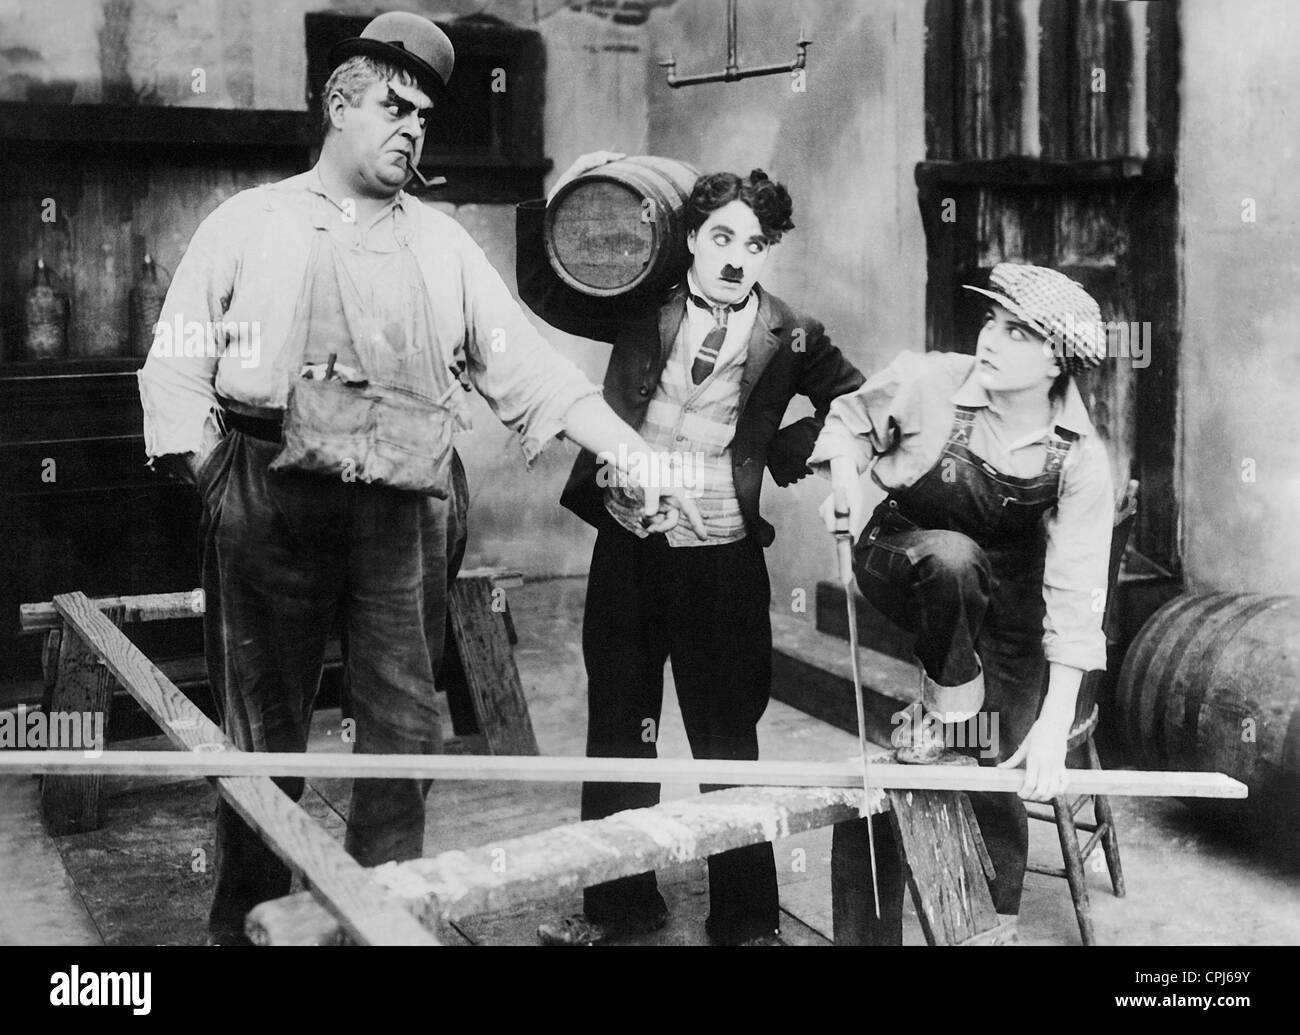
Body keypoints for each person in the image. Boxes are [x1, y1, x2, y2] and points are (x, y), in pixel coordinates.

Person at [138, 14, 699, 946]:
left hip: (403, 505)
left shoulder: (441, 245)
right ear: (338, 106)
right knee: (261, 740)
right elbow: (175, 364)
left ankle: (382, 919)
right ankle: (242, 927)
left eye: (426, 119)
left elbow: (536, 373)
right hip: (267, 486)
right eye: (394, 107)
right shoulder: (248, 223)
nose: (412, 129)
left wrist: (634, 454)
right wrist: (211, 477)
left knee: (403, 732)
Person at [516, 156, 866, 945]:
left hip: (721, 556)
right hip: (630, 542)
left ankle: (744, 921)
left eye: (755, 241)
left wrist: (781, 450)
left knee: (726, 736)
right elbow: (543, 285)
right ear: (692, 239)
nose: (738, 255)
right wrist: (570, 186)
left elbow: (860, 401)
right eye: (721, 236)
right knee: (617, 726)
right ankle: (619, 905)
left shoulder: (792, 332)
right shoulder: (645, 300)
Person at [808, 262, 1117, 944]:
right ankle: (949, 699)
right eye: (990, 321)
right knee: (952, 559)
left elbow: (1074, 598)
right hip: (905, 553)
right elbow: (850, 419)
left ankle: (988, 926)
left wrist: (1050, 720)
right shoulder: (930, 380)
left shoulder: (1080, 459)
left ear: (1057, 358)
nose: (990, 338)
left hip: (1006, 594)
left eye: (1016, 330)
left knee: (997, 755)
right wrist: (842, 479)